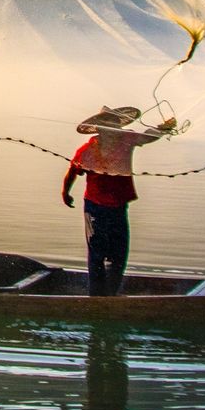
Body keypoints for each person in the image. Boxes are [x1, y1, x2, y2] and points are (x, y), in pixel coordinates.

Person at [61, 106, 175, 297]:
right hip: (95, 207)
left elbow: (147, 136)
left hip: (119, 207)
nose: (113, 127)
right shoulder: (88, 149)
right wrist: (66, 192)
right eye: (108, 124)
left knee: (119, 254)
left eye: (115, 123)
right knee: (97, 253)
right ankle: (97, 297)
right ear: (100, 128)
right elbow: (73, 171)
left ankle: (110, 295)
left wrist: (163, 128)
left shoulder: (126, 140)